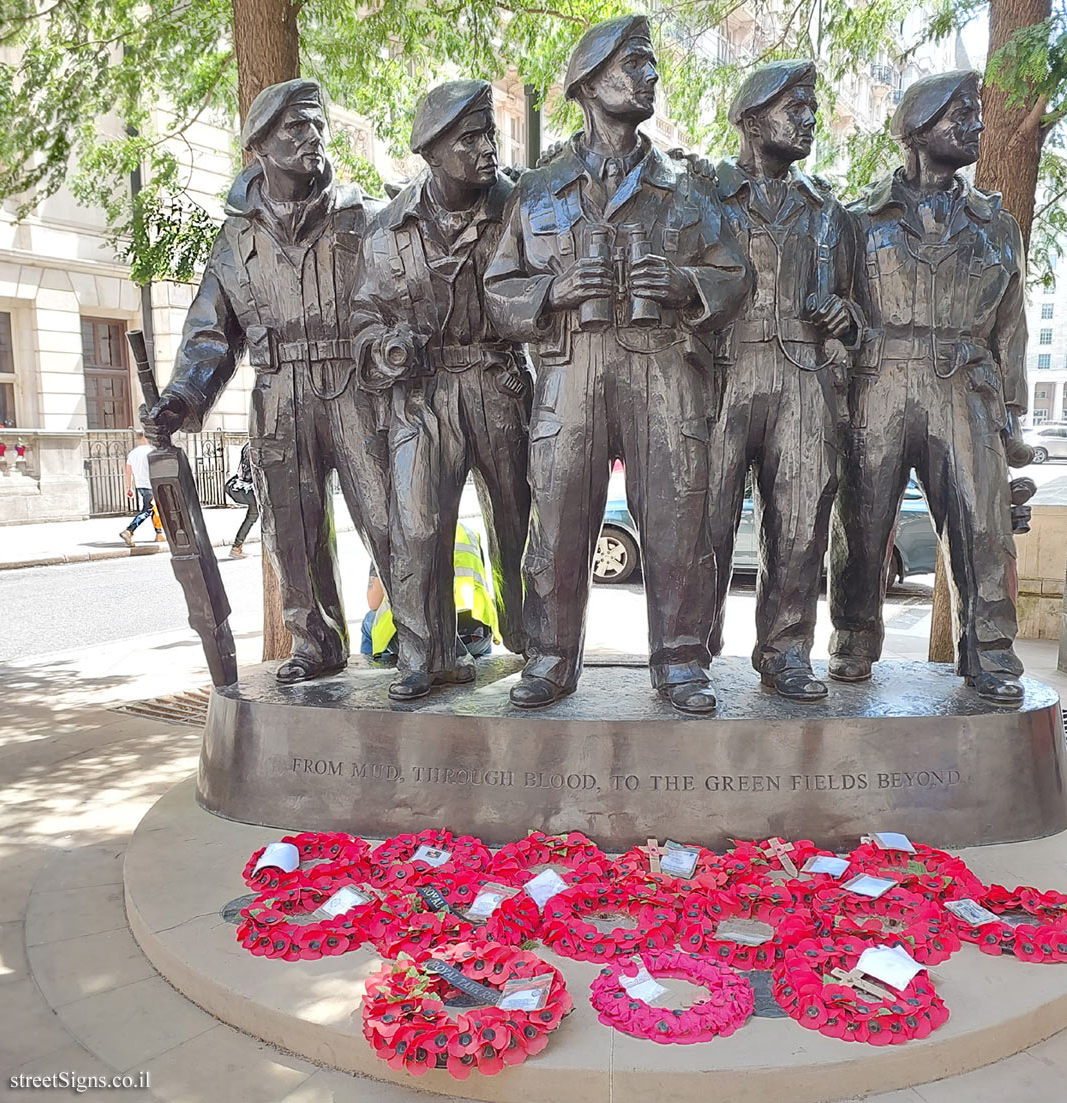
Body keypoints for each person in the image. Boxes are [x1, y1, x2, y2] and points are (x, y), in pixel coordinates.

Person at [485, 15, 750, 713]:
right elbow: (496, 293)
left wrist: (686, 286)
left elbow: (736, 276)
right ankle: (547, 657)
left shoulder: (686, 186)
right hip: (570, 374)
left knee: (677, 519)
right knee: (560, 522)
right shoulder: (536, 190)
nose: (651, 76)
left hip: (665, 370)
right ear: (589, 82)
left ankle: (682, 659)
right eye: (636, 64)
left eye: (652, 64)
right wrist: (553, 291)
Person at [143, 79, 394, 684]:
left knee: (389, 517)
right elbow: (211, 333)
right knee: (290, 527)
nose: (313, 137)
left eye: (316, 124)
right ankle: (315, 640)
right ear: (259, 145)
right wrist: (181, 398)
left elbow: (398, 300)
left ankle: (418, 635)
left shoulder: (363, 218)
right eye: (295, 127)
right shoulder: (235, 240)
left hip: (355, 389)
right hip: (277, 394)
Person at [828, 70, 1030, 704]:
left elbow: (1012, 329)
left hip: (966, 389)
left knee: (982, 525)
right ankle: (854, 637)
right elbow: (833, 311)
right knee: (860, 522)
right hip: (877, 384)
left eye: (976, 113)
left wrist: (1012, 419)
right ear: (917, 130)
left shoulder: (996, 226)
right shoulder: (858, 221)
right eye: (959, 114)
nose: (975, 124)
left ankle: (990, 649)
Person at [351, 79, 532, 701]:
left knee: (519, 519)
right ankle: (424, 654)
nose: (490, 148)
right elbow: (363, 318)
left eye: (490, 132)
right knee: (417, 524)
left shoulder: (520, 207)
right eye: (472, 137)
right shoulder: (387, 229)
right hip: (422, 395)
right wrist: (384, 347)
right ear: (432, 151)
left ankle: (534, 646)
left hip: (497, 381)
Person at [708, 60, 862, 701]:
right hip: (719, 375)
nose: (809, 119)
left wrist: (846, 319)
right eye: (794, 106)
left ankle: (787, 651)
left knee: (801, 524)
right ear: (750, 119)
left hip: (804, 379)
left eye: (811, 107)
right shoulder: (703, 197)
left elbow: (859, 309)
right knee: (701, 521)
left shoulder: (828, 212)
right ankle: (687, 650)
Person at [361, 520, 499, 662]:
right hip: (476, 640)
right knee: (478, 618)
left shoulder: (394, 537)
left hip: (422, 644)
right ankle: (480, 665)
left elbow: (374, 602)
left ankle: (377, 671)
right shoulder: (468, 532)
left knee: (369, 621)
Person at [120, 430, 165, 547]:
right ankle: (129, 530)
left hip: (140, 485)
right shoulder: (151, 452)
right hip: (151, 484)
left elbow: (128, 471)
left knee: (154, 508)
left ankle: (159, 533)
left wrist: (128, 487)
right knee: (148, 509)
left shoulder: (133, 453)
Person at [228, 441, 258, 559]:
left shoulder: (247, 445)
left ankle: (237, 546)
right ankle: (236, 547)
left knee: (251, 517)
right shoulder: (256, 444)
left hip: (249, 486)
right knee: (253, 517)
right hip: (257, 486)